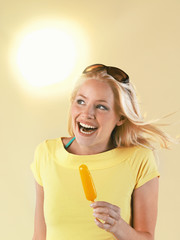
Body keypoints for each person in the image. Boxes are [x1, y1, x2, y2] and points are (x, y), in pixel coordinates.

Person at [30, 64, 178, 240]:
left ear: (120, 117)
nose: (87, 113)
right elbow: (40, 236)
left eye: (101, 107)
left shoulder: (138, 159)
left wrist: (119, 227)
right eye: (81, 101)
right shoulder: (46, 153)